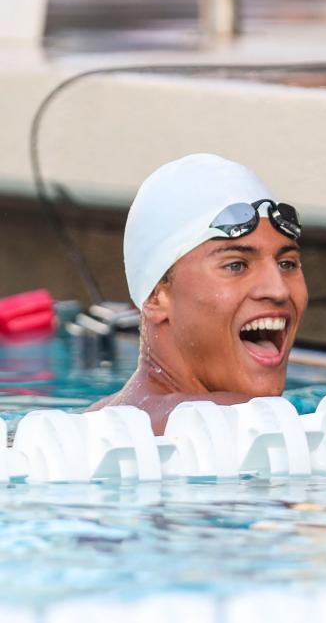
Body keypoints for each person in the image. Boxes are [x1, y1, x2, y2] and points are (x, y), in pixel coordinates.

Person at [88, 154, 307, 434]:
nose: (278, 290)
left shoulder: (86, 423)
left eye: (287, 263)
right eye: (236, 265)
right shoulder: (245, 424)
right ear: (156, 295)